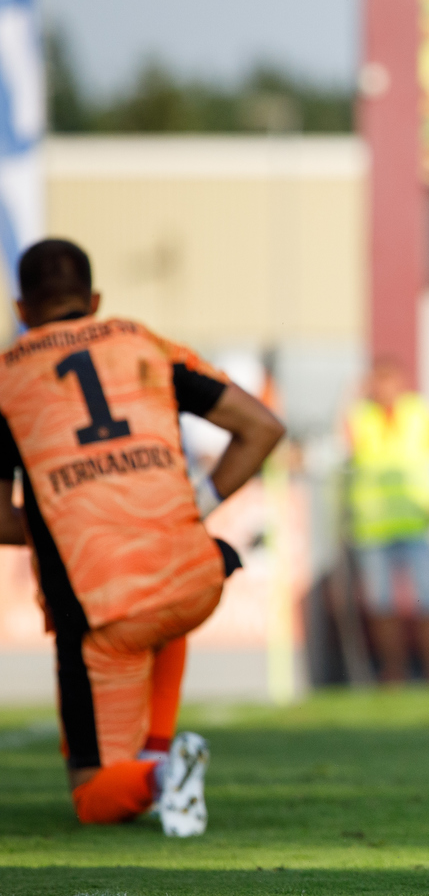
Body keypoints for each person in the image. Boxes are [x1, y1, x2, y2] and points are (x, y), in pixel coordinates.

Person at [0, 238, 284, 834]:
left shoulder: (8, 378)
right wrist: (195, 505)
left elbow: (0, 517)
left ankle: (159, 775)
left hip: (105, 609)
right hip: (195, 575)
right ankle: (159, 760)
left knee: (95, 795)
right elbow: (261, 427)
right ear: (95, 299)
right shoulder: (141, 340)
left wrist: (69, 518)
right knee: (167, 607)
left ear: (21, 309)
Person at [345, 358, 429, 683]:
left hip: (417, 523)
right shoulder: (358, 417)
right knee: (382, 606)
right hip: (372, 527)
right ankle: (393, 673)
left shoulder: (422, 413)